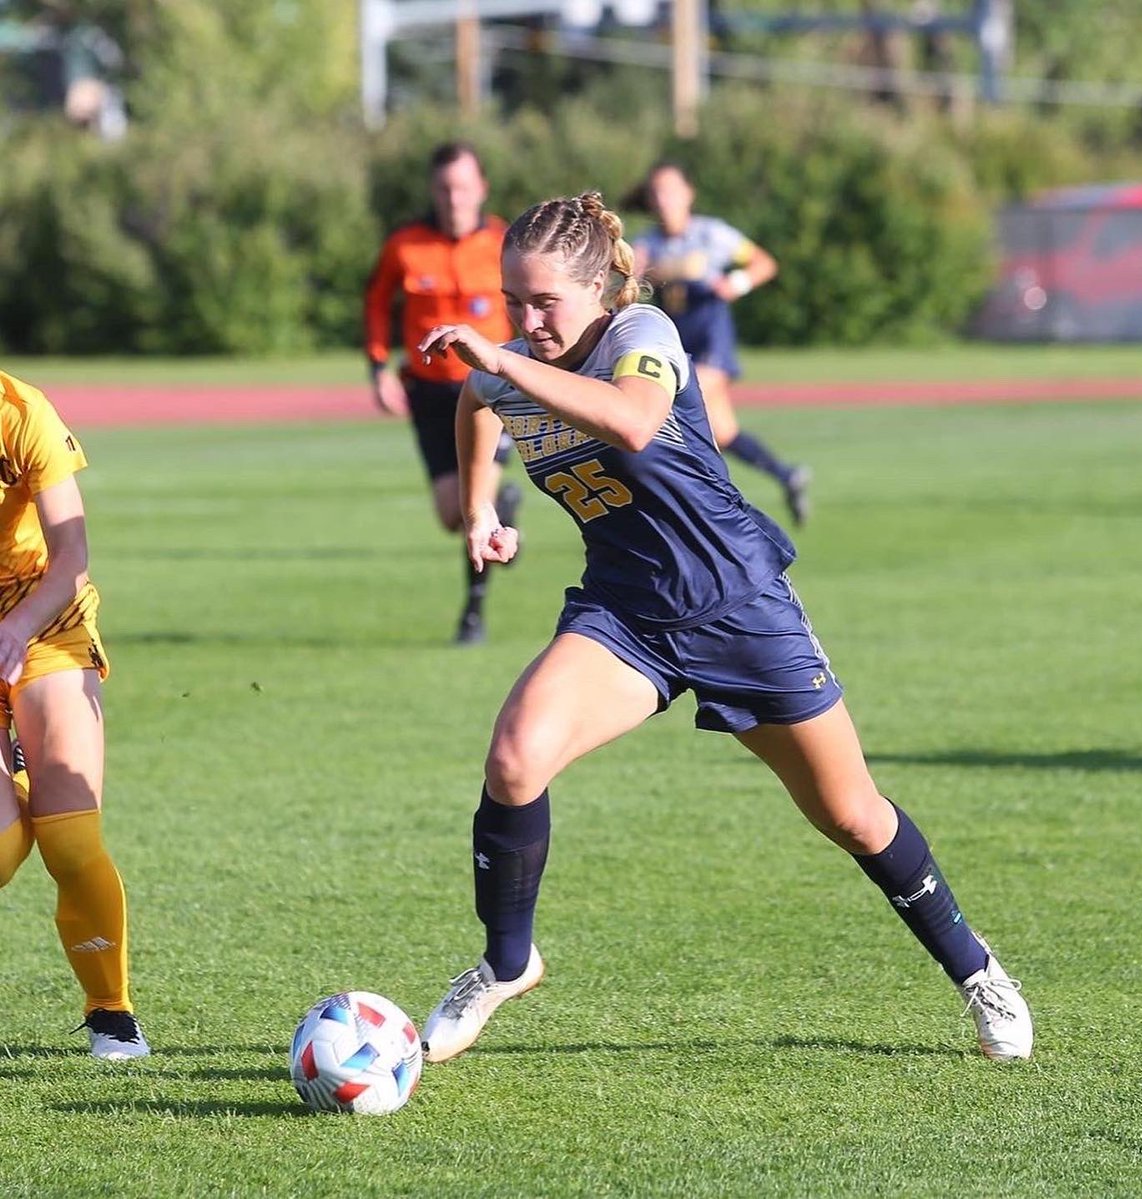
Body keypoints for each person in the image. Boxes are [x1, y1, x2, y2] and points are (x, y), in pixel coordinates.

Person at [416, 191, 1033, 1066]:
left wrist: (505, 368)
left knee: (853, 815)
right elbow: (475, 402)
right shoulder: (513, 363)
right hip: (625, 611)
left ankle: (979, 973)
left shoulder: (642, 338)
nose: (524, 319)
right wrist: (480, 508)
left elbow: (631, 419)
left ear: (599, 288)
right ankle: (507, 962)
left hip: (740, 606)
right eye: (513, 300)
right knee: (515, 758)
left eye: (544, 301)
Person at [0, 369, 149, 1060]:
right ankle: (19, 786)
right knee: (3, 848)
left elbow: (71, 555)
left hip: (45, 613)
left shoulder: (21, 410)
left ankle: (111, 1012)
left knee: (68, 839)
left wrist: (18, 625)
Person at [364, 141, 522, 645]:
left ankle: (472, 613)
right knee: (452, 514)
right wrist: (378, 367)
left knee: (478, 506)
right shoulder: (405, 245)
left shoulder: (505, 242)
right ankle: (505, 505)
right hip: (430, 395)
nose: (454, 197)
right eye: (444, 188)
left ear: (481, 189)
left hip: (490, 389)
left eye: (463, 186)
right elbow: (375, 304)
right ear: (433, 191)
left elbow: (530, 305)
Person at [632, 161, 812, 526]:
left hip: (712, 340)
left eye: (670, 190)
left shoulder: (711, 235)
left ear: (689, 194)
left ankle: (697, 508)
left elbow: (764, 263)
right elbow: (625, 286)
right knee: (723, 432)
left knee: (675, 408)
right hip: (676, 341)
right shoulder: (647, 245)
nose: (663, 199)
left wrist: (737, 283)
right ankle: (787, 476)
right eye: (655, 192)